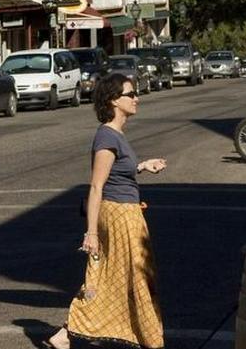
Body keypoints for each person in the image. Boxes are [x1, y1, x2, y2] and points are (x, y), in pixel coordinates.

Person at [47, 73, 167, 349]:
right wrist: (91, 233)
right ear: (114, 100)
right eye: (130, 94)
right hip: (117, 216)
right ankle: (151, 340)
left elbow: (117, 172)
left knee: (120, 278)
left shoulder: (116, 135)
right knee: (134, 276)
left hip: (127, 212)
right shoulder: (106, 136)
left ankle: (66, 334)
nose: (136, 98)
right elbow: (97, 186)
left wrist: (142, 166)